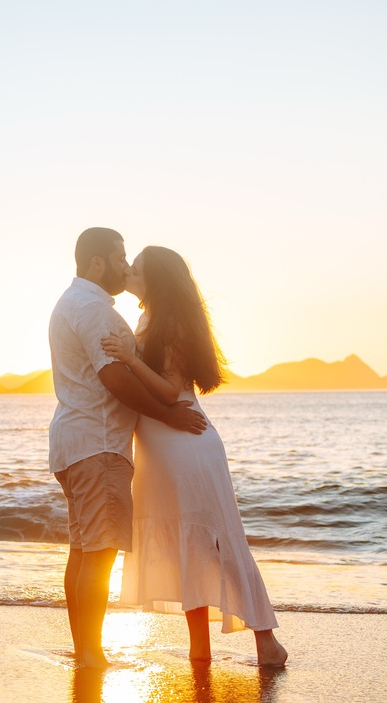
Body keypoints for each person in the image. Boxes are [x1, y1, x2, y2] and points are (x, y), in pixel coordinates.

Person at [102, 245, 288, 666]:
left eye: (138, 267)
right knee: (190, 547)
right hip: (163, 449)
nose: (129, 268)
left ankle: (267, 643)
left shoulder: (170, 323)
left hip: (186, 446)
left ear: (156, 279)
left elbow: (170, 390)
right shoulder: (149, 317)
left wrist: (129, 357)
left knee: (219, 544)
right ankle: (199, 650)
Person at [49, 228, 208, 668]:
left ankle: (84, 649)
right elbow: (114, 379)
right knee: (97, 555)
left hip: (73, 442)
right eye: (120, 257)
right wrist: (168, 414)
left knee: (82, 550)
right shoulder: (94, 309)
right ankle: (89, 655)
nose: (125, 266)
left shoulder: (71, 302)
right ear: (97, 262)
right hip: (97, 445)